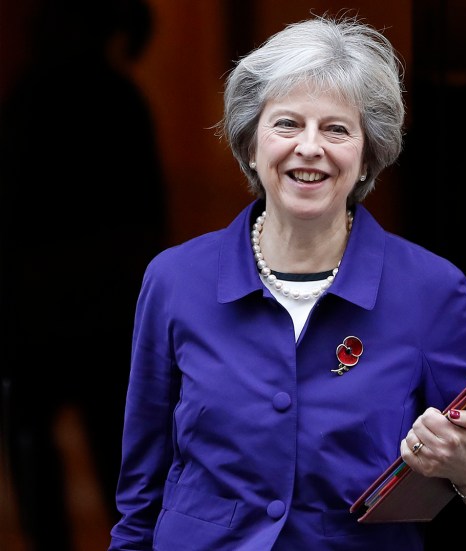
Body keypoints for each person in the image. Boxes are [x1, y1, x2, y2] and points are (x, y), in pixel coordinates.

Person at [107, 14, 466, 551]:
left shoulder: (430, 290)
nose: (310, 147)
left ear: (367, 156)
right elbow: (140, 491)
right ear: (251, 144)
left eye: (336, 129)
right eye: (287, 124)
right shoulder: (175, 279)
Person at [0, 1, 167, 549]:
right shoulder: (116, 97)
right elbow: (148, 217)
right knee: (114, 438)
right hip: (103, 300)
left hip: (42, 301)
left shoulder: (31, 97)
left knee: (37, 438)